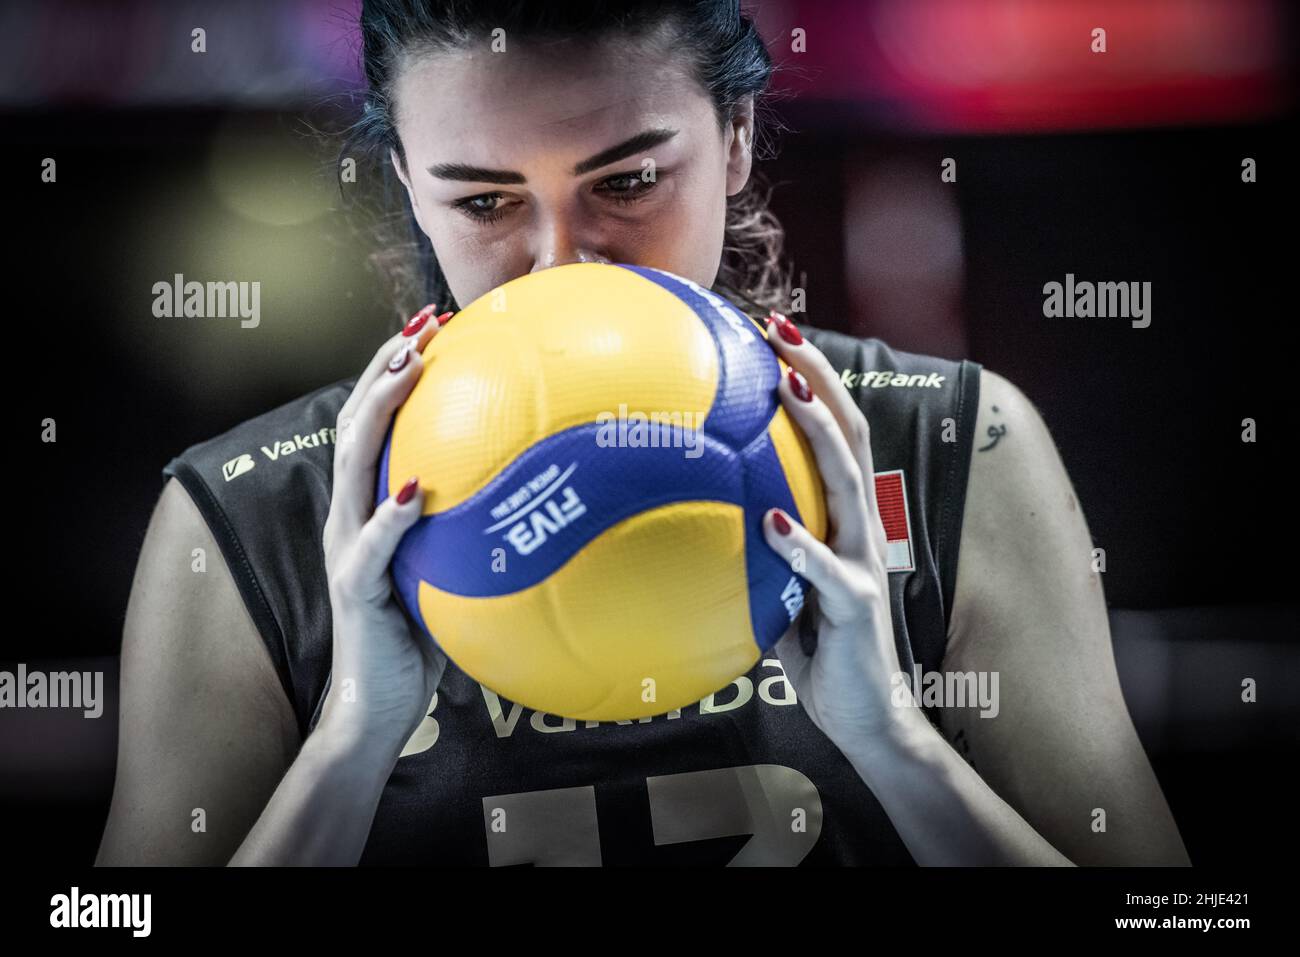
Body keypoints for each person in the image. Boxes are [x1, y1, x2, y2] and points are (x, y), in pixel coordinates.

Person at [97, 0, 1189, 866]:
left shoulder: (952, 441)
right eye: (484, 203)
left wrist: (894, 742)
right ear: (406, 186)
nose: (563, 262)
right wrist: (349, 740)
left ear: (737, 138)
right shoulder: (249, 507)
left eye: (626, 182)